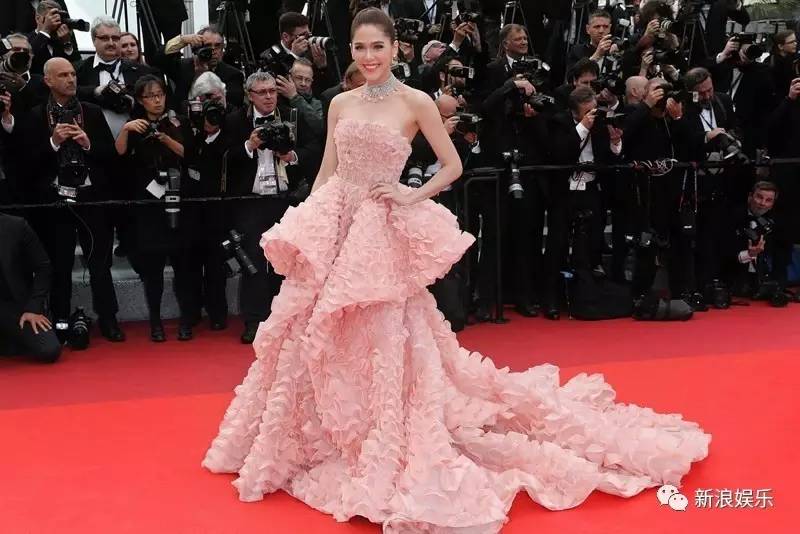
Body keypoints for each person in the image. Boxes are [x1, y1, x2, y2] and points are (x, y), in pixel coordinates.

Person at [202, 8, 710, 532]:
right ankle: (327, 430)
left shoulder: (415, 101)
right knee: (315, 332)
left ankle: (382, 430)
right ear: (350, 51)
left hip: (379, 233)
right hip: (338, 226)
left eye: (378, 46)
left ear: (394, 48)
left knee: (384, 333)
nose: (369, 57)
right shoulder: (340, 103)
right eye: (360, 48)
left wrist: (410, 194)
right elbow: (330, 169)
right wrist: (312, 223)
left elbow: (453, 165)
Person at [115, 75, 195, 342]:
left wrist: (164, 139)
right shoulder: (135, 125)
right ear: (140, 100)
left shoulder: (178, 121)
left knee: (183, 267)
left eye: (160, 94)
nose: (157, 100)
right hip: (148, 205)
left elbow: (189, 154)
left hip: (178, 198)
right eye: (150, 96)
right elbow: (119, 154)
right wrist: (126, 130)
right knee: (153, 270)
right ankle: (155, 322)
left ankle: (186, 321)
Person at [0, 211, 61, 363]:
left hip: (14, 306)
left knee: (48, 349)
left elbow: (43, 267)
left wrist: (33, 308)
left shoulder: (16, 226)